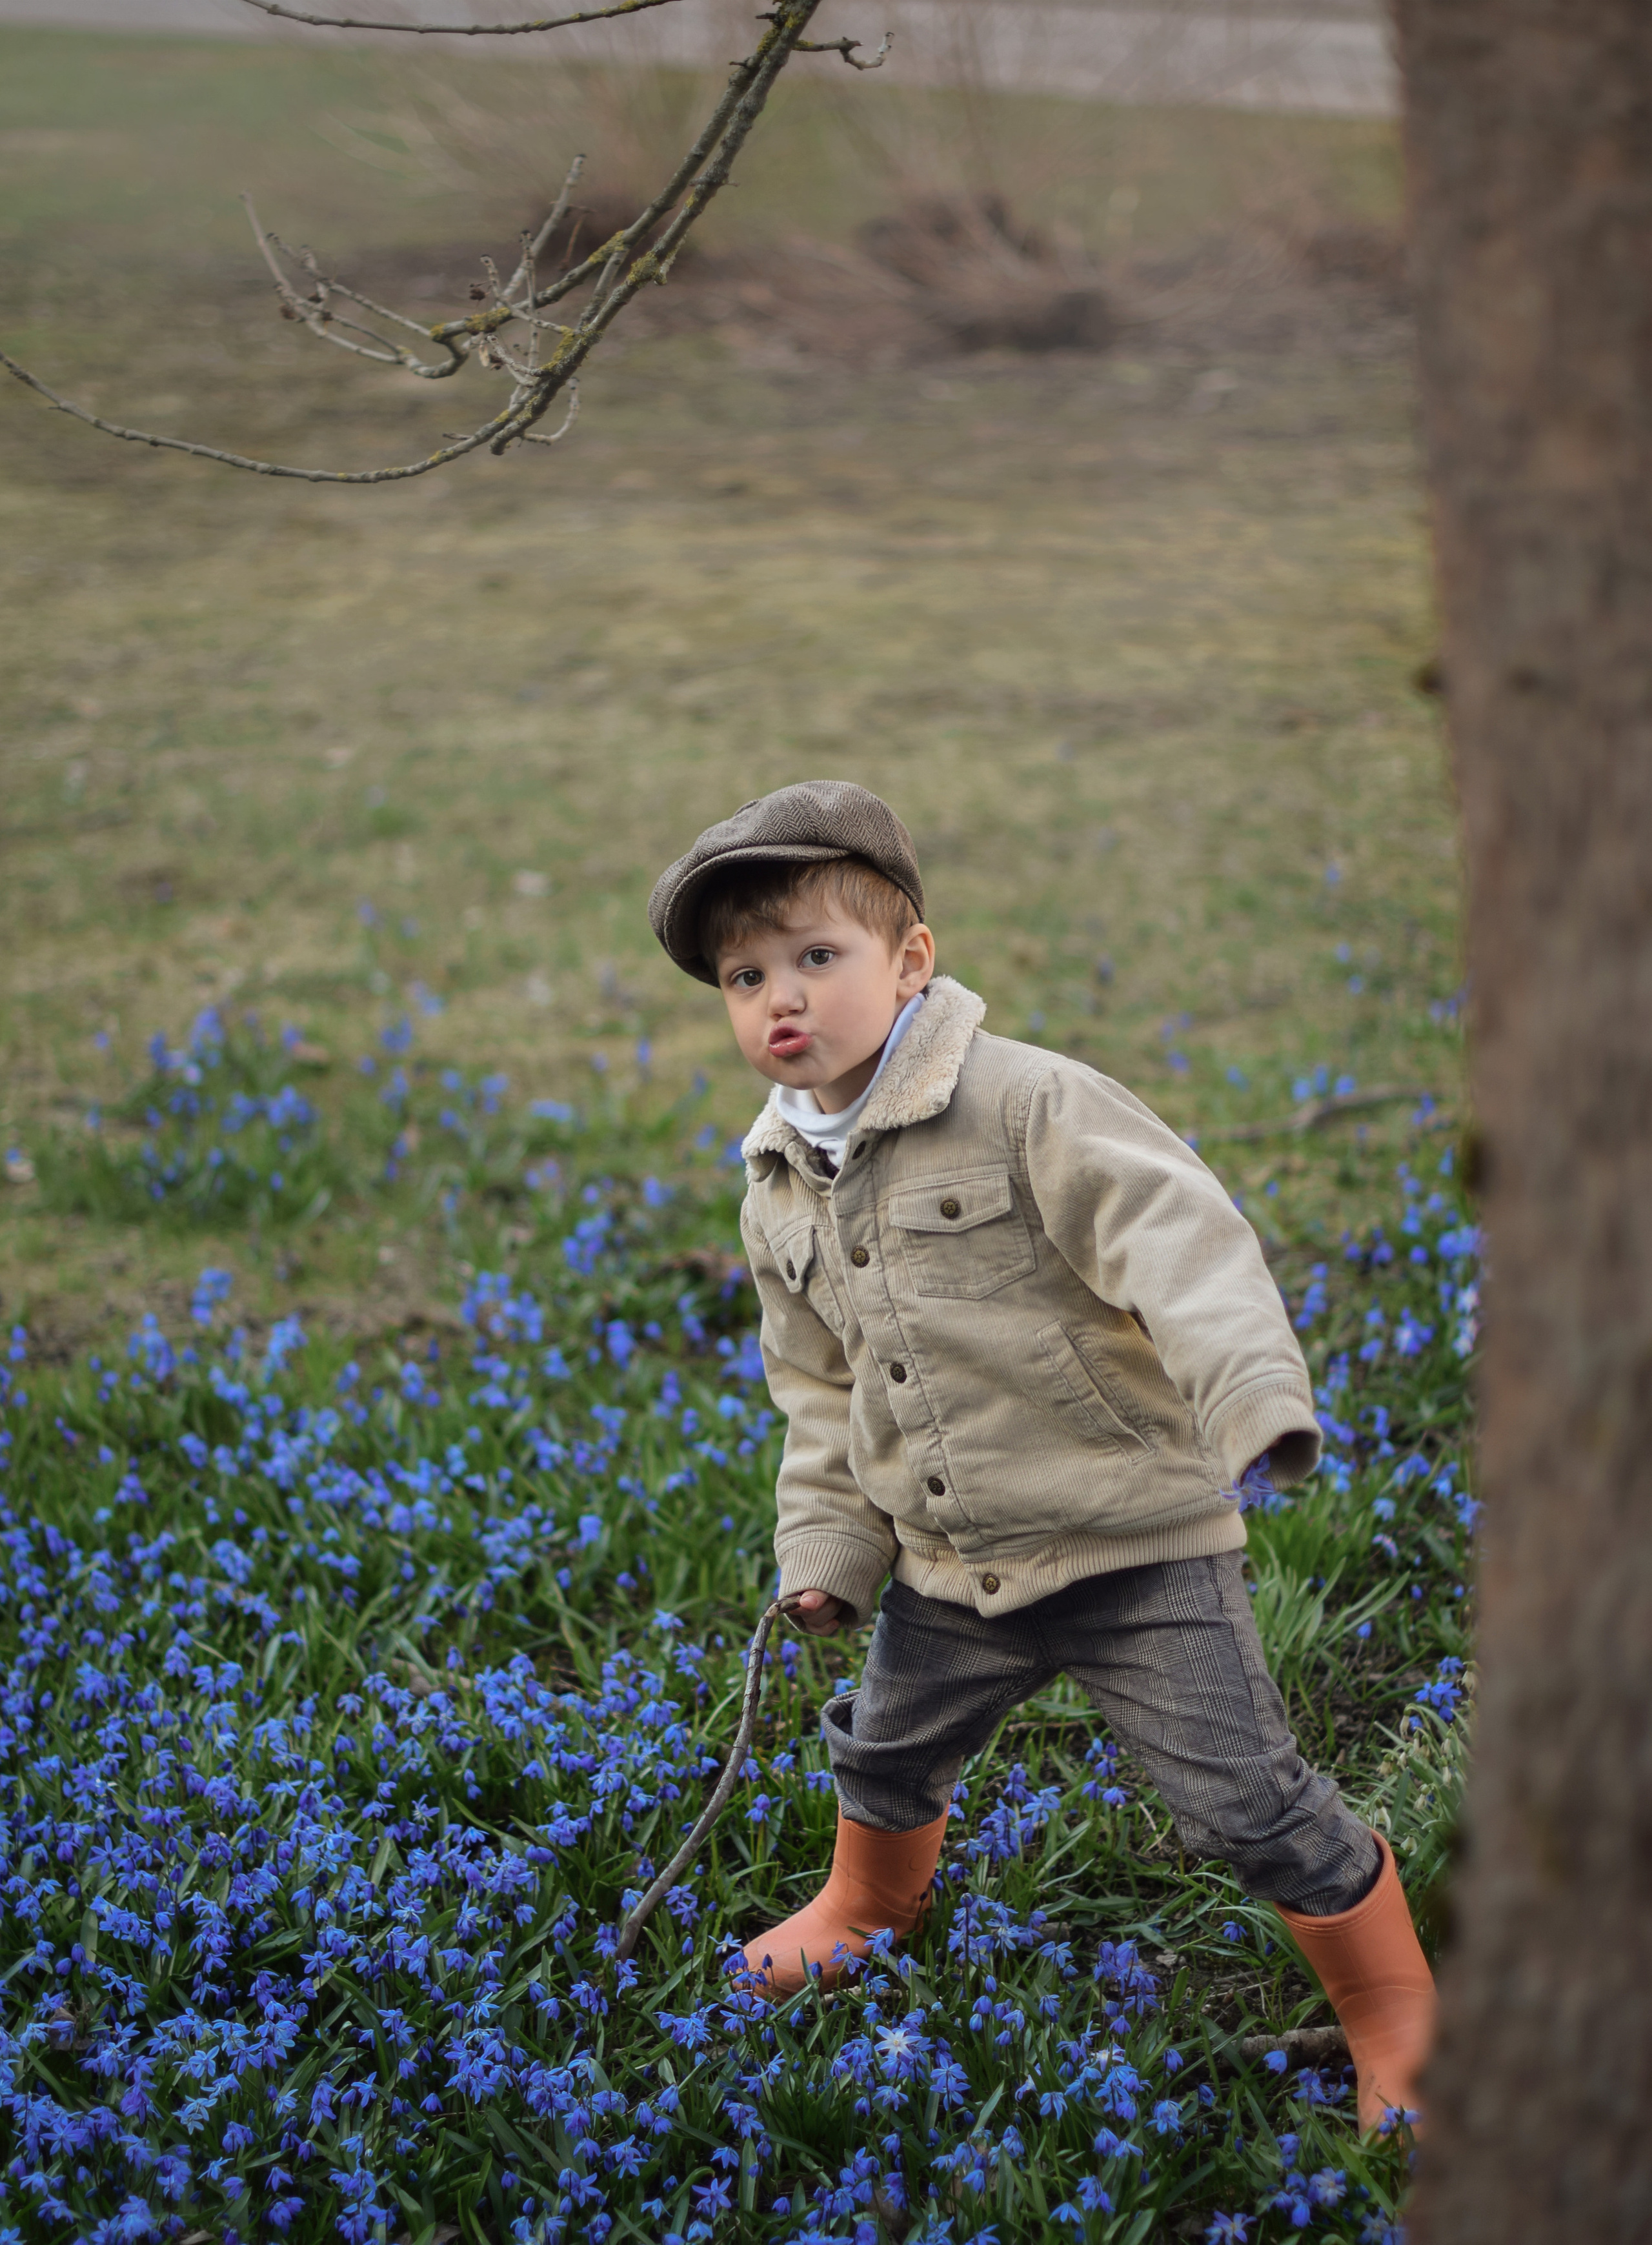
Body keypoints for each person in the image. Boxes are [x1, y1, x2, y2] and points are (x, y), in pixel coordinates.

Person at [647, 779, 1435, 2135]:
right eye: (743, 974)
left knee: (1244, 1803)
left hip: (1130, 1543)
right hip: (947, 1563)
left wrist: (1249, 1396)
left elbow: (1179, 1242)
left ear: (909, 962)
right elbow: (821, 1400)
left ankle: (1395, 2014)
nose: (779, 997)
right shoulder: (776, 1180)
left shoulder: (1026, 1105)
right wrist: (828, 1553)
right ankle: (864, 1904)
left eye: (815, 958)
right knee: (882, 1754)